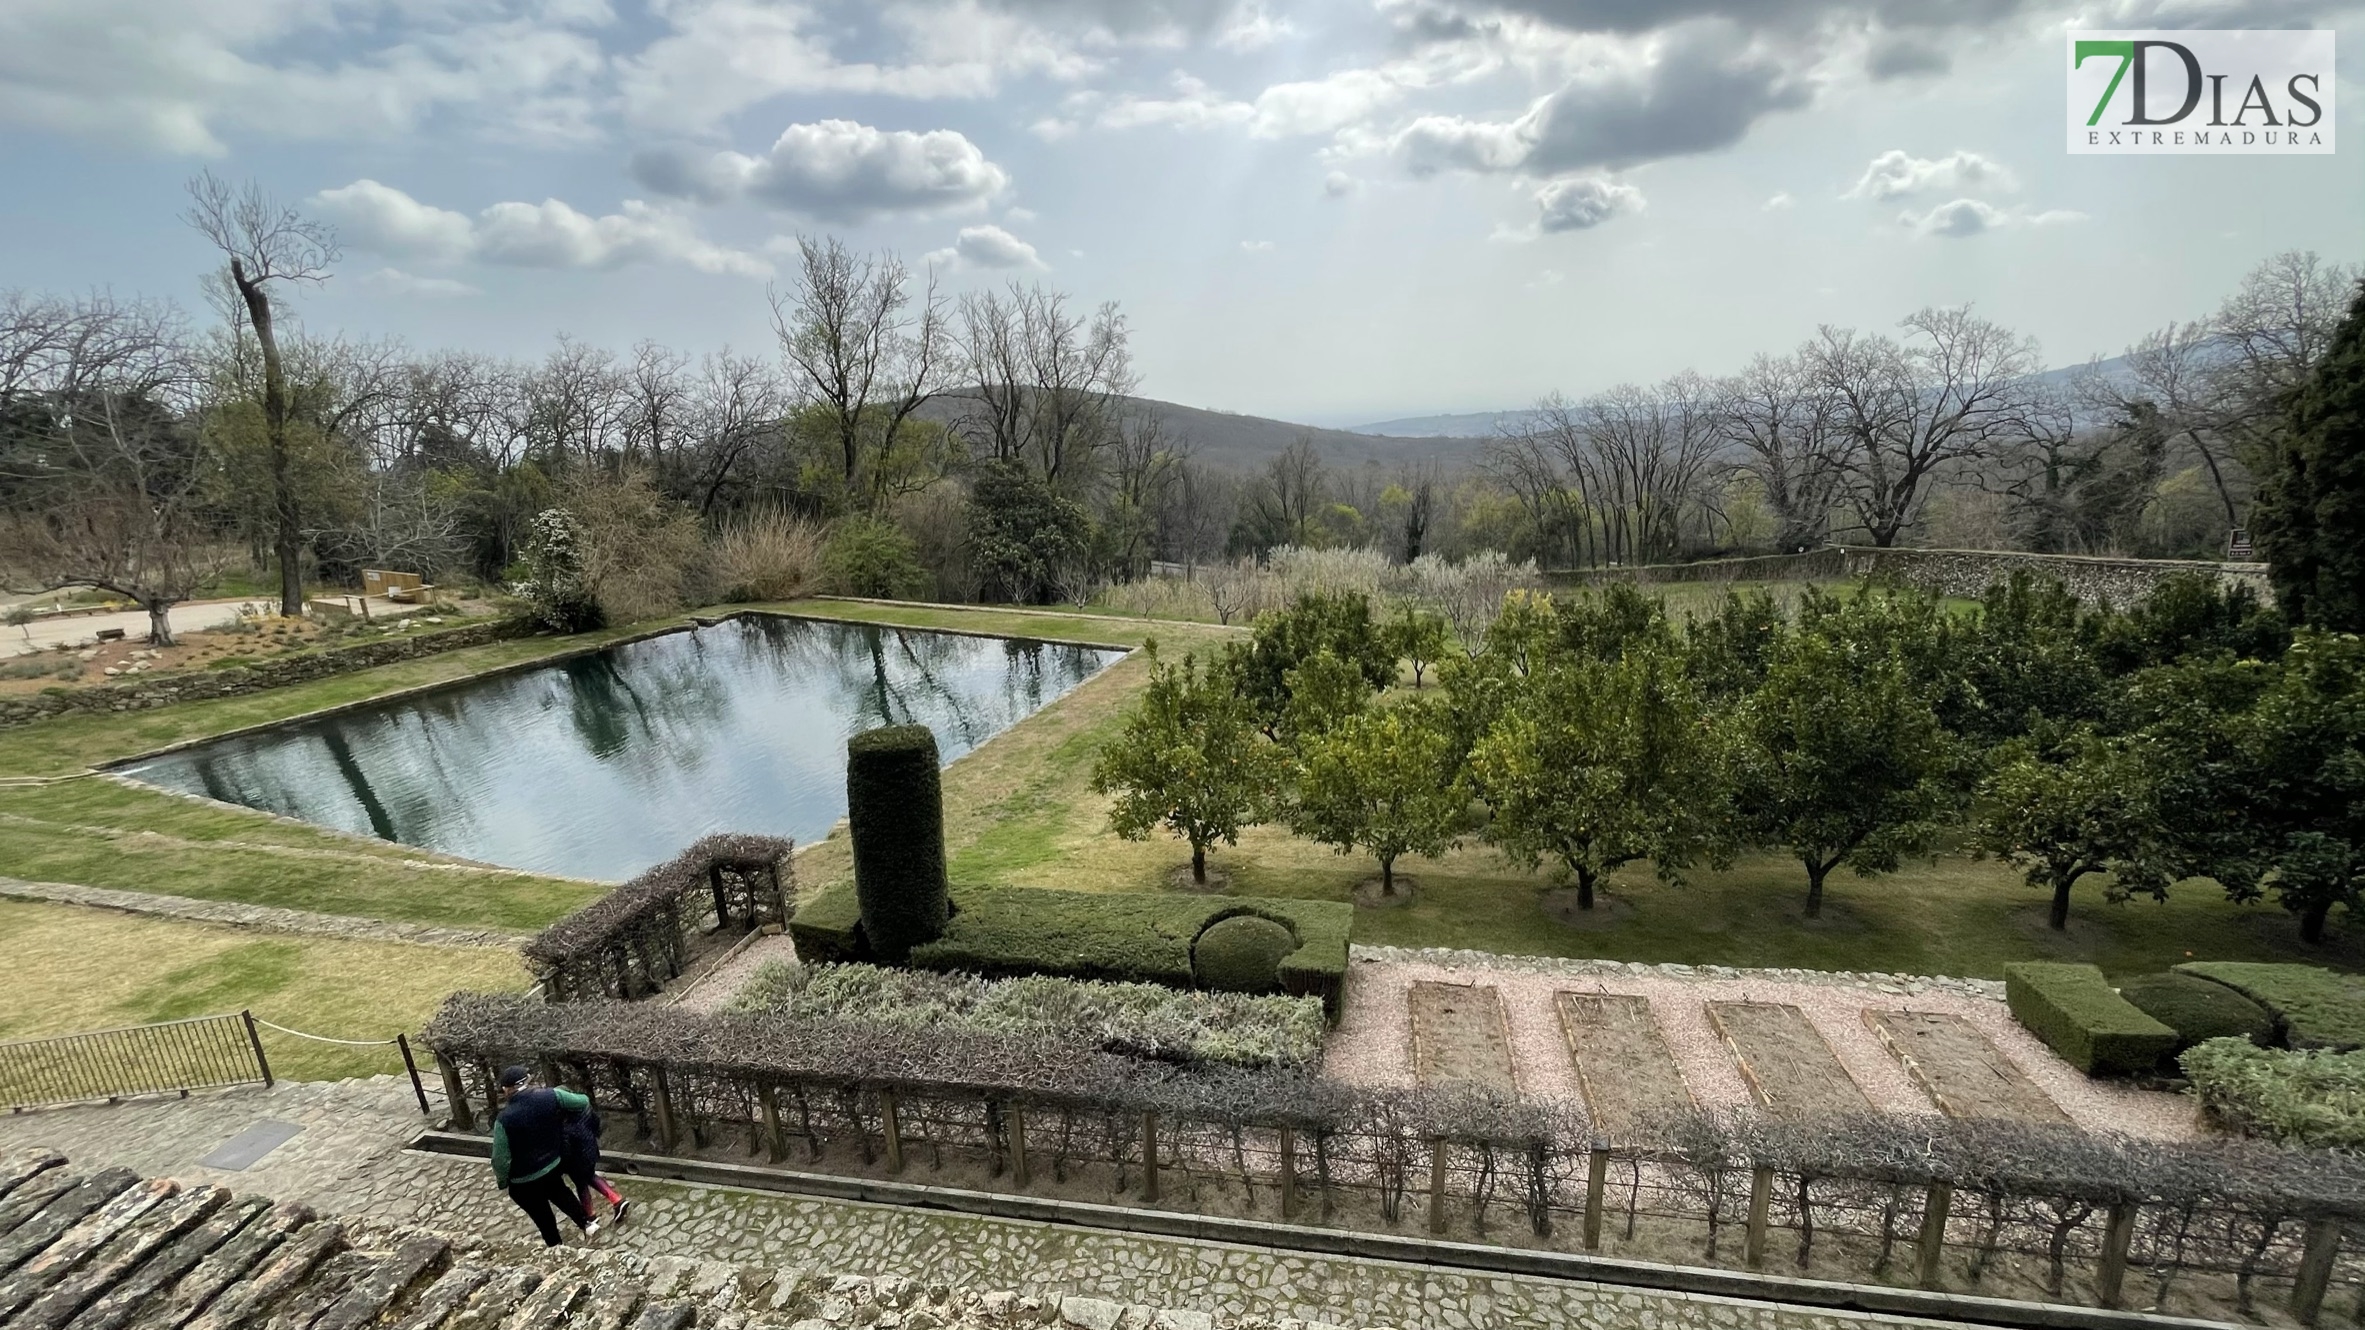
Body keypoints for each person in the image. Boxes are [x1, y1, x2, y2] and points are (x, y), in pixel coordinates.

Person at [490, 1065, 600, 1246]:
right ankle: (586, 1223)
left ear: (506, 1089)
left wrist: (503, 1180)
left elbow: (500, 1158)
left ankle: (556, 1246)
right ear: (528, 1080)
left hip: (523, 1179)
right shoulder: (551, 1096)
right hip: (552, 1163)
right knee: (562, 1194)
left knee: (541, 1215)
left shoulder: (504, 1119)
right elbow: (582, 1101)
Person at [561, 1101, 631, 1226]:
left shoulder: (565, 1126)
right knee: (590, 1176)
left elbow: (565, 1149)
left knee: (581, 1185)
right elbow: (596, 1124)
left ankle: (590, 1216)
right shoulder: (585, 1109)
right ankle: (616, 1200)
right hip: (591, 1150)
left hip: (576, 1160)